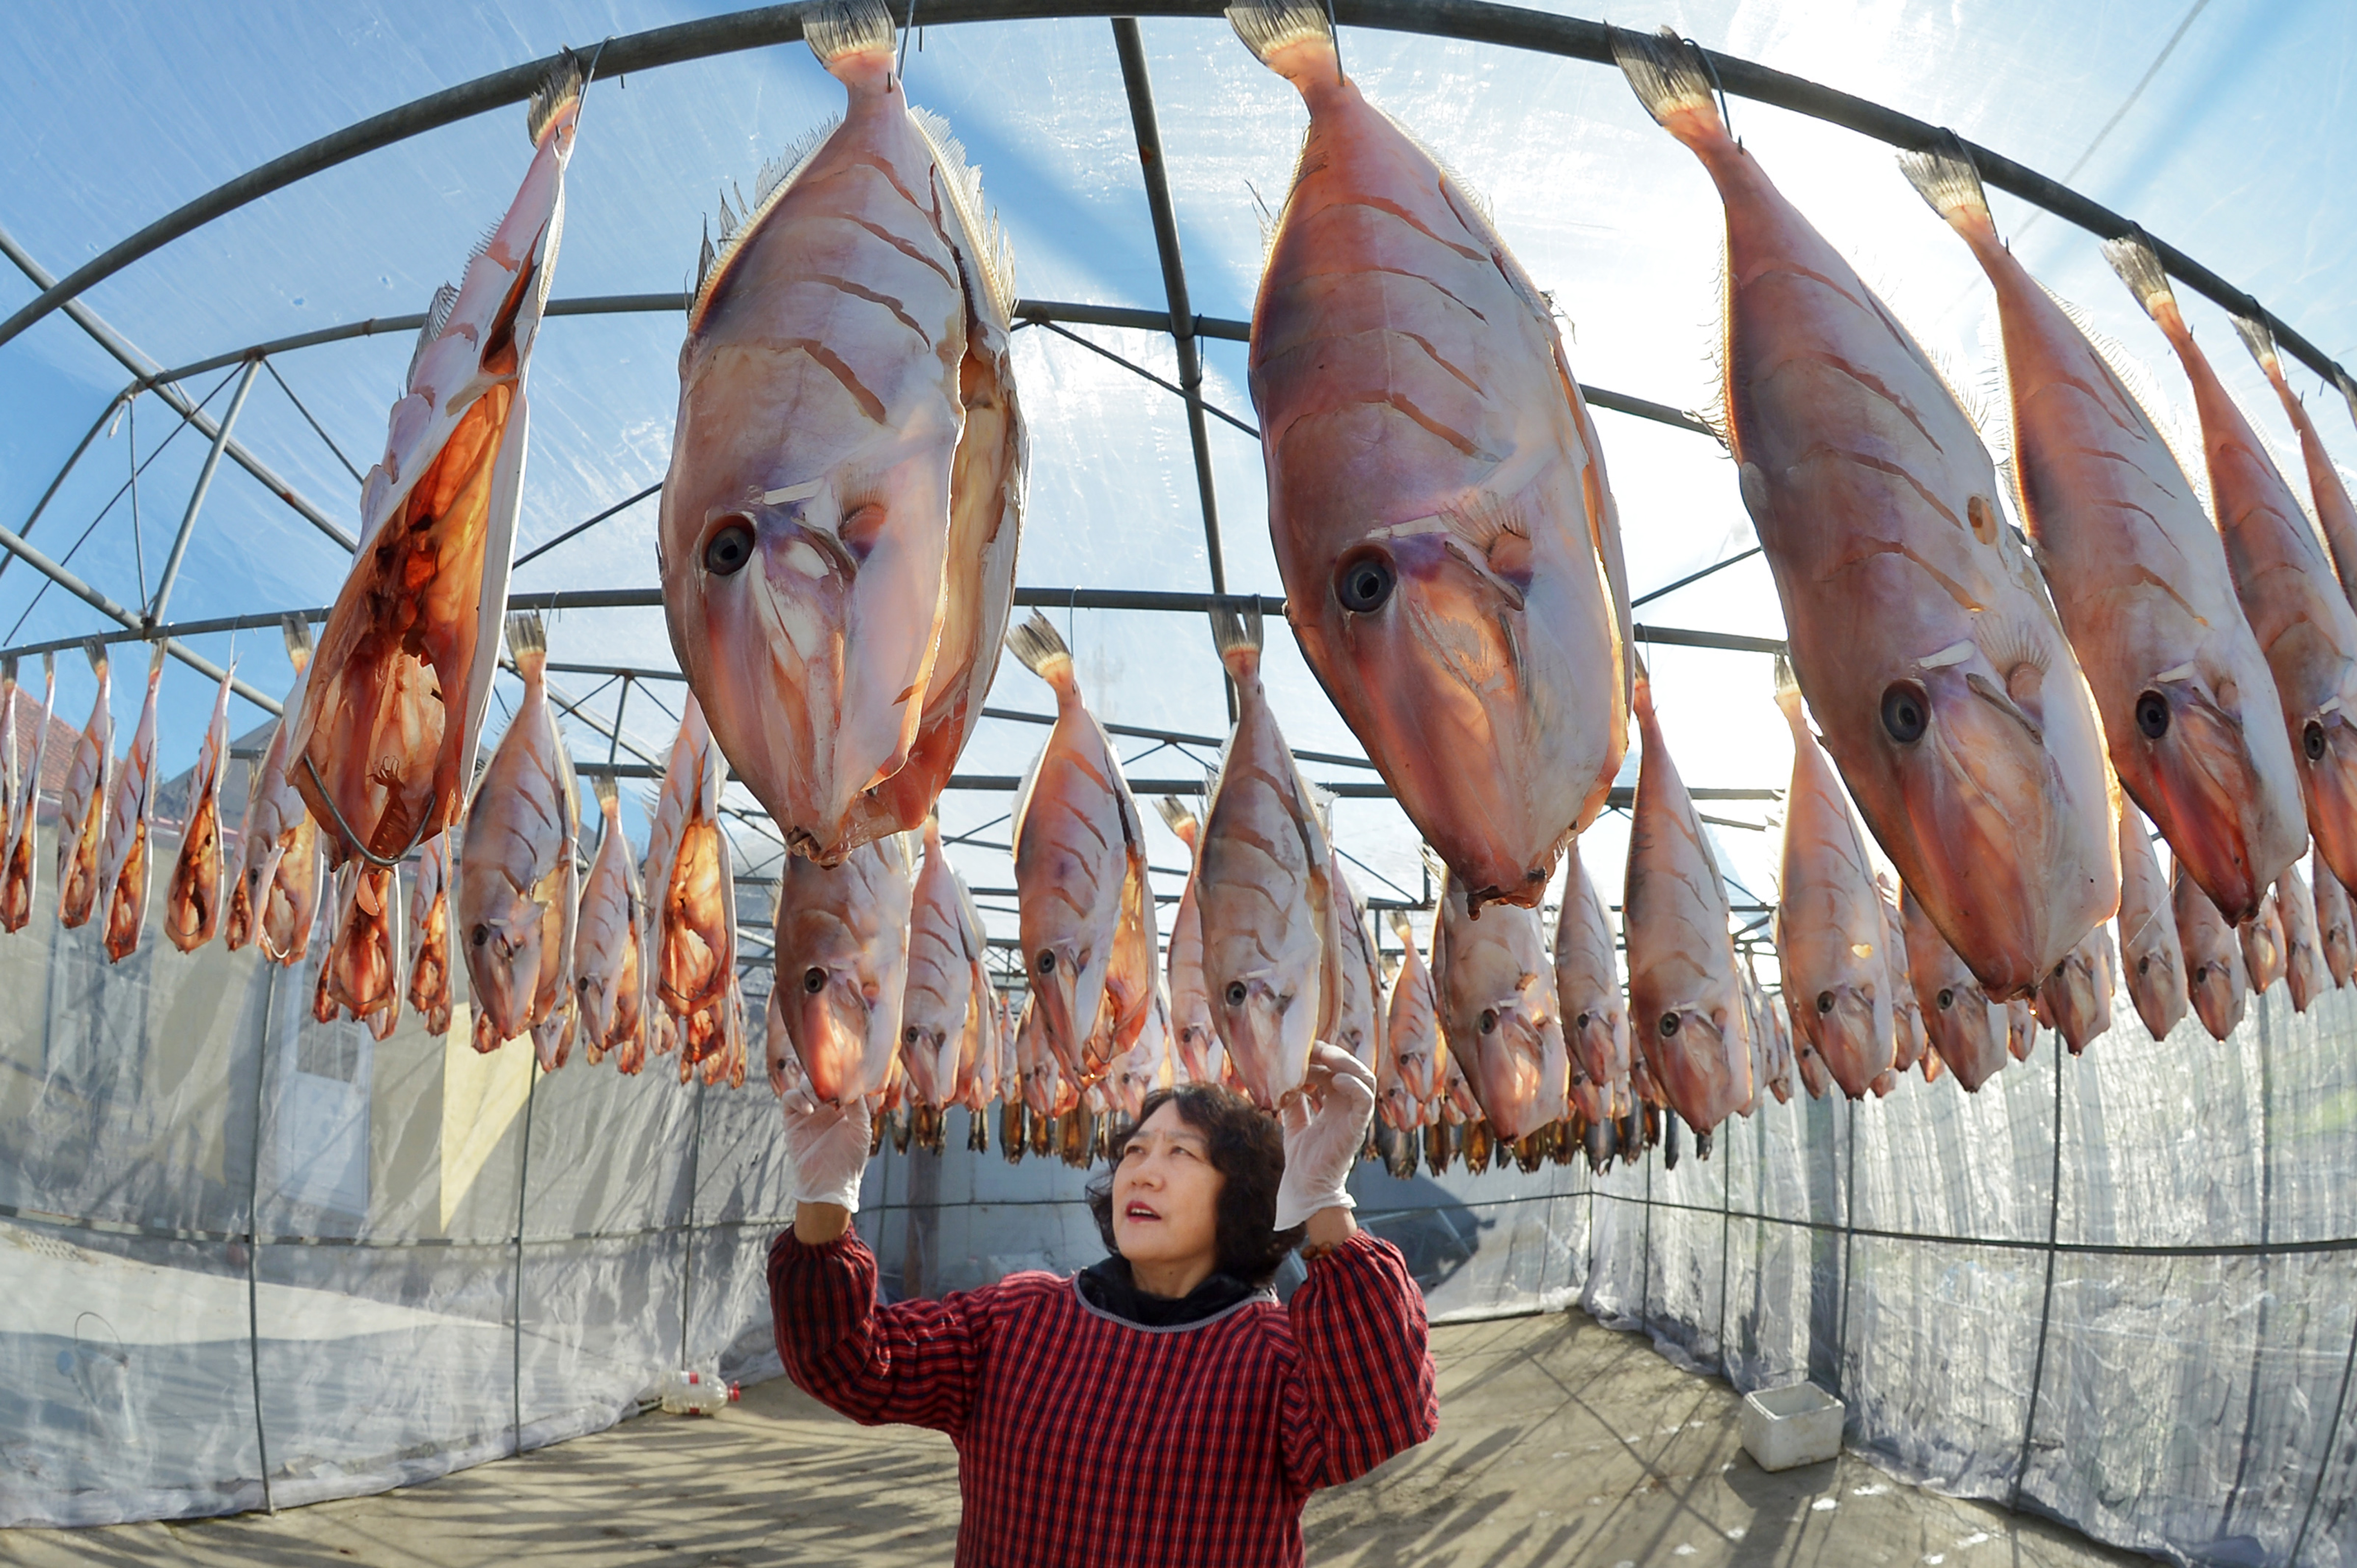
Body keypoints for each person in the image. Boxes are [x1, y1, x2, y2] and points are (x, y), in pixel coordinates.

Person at [769, 1042, 1437, 1567]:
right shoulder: (1018, 1321)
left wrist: (1321, 1195)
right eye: (1136, 1149)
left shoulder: (1269, 1355)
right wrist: (827, 1197)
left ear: (1245, 1196)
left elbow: (1381, 1414)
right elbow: (850, 1360)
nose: (1144, 1170)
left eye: (1183, 1153)